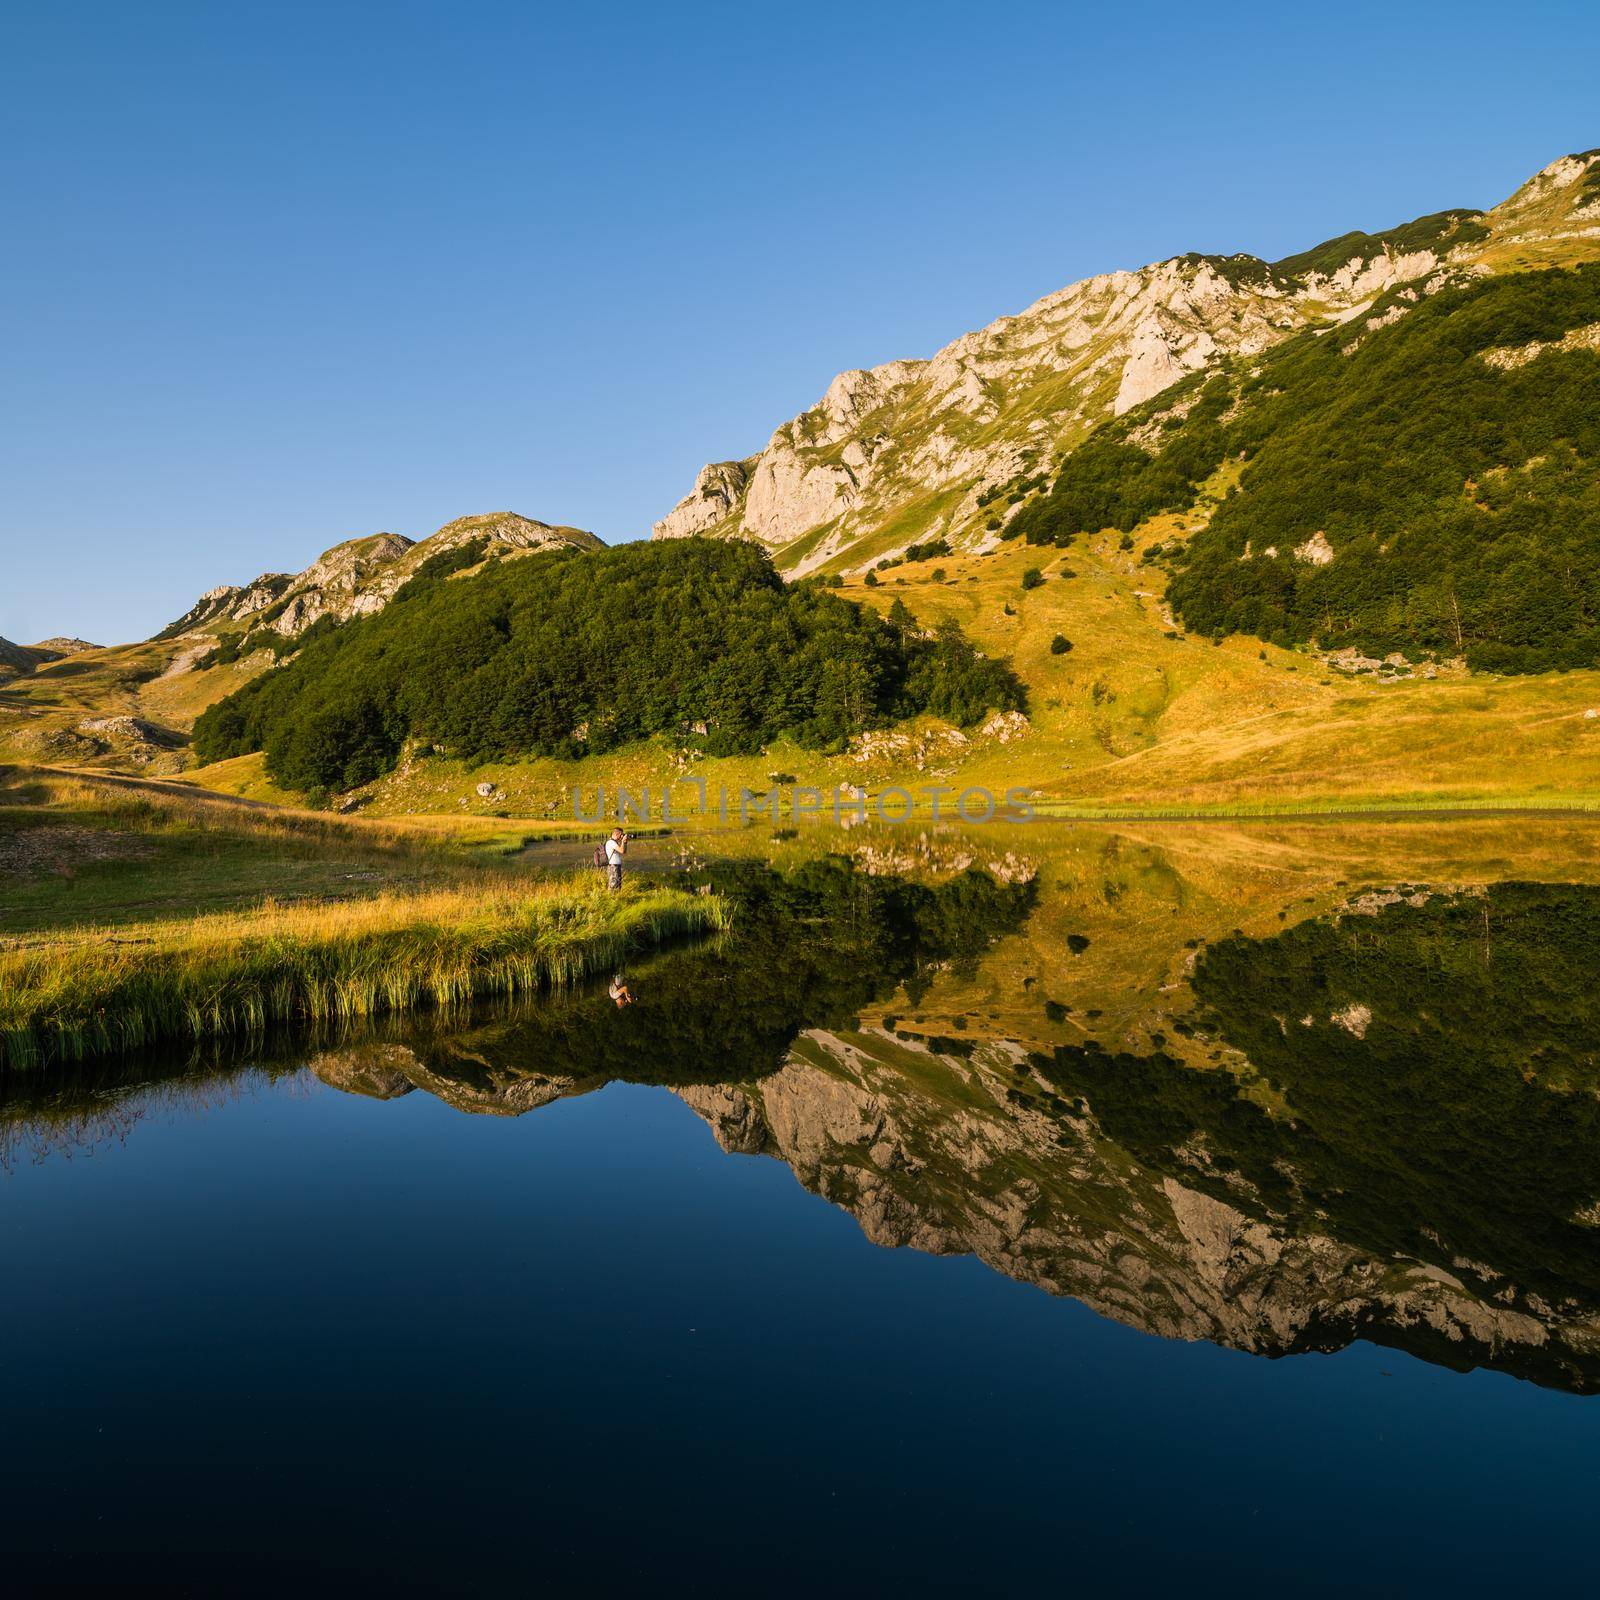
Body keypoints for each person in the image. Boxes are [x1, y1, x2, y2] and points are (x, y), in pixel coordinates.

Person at [604, 827, 627, 891]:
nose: (621, 836)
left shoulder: (614, 842)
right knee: (613, 885)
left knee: (618, 884)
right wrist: (622, 841)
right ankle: (610, 898)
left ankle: (617, 898)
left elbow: (624, 851)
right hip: (613, 866)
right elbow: (621, 850)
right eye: (621, 834)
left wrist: (625, 842)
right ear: (617, 834)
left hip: (616, 866)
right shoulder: (611, 842)